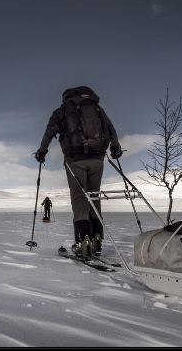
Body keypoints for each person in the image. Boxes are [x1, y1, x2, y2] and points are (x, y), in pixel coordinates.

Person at [34, 86, 122, 259]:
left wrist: (42, 151)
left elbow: (49, 132)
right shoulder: (97, 108)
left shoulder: (62, 110)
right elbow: (110, 128)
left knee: (80, 198)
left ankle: (84, 243)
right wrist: (116, 148)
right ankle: (97, 240)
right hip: (97, 159)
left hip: (76, 160)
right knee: (94, 197)